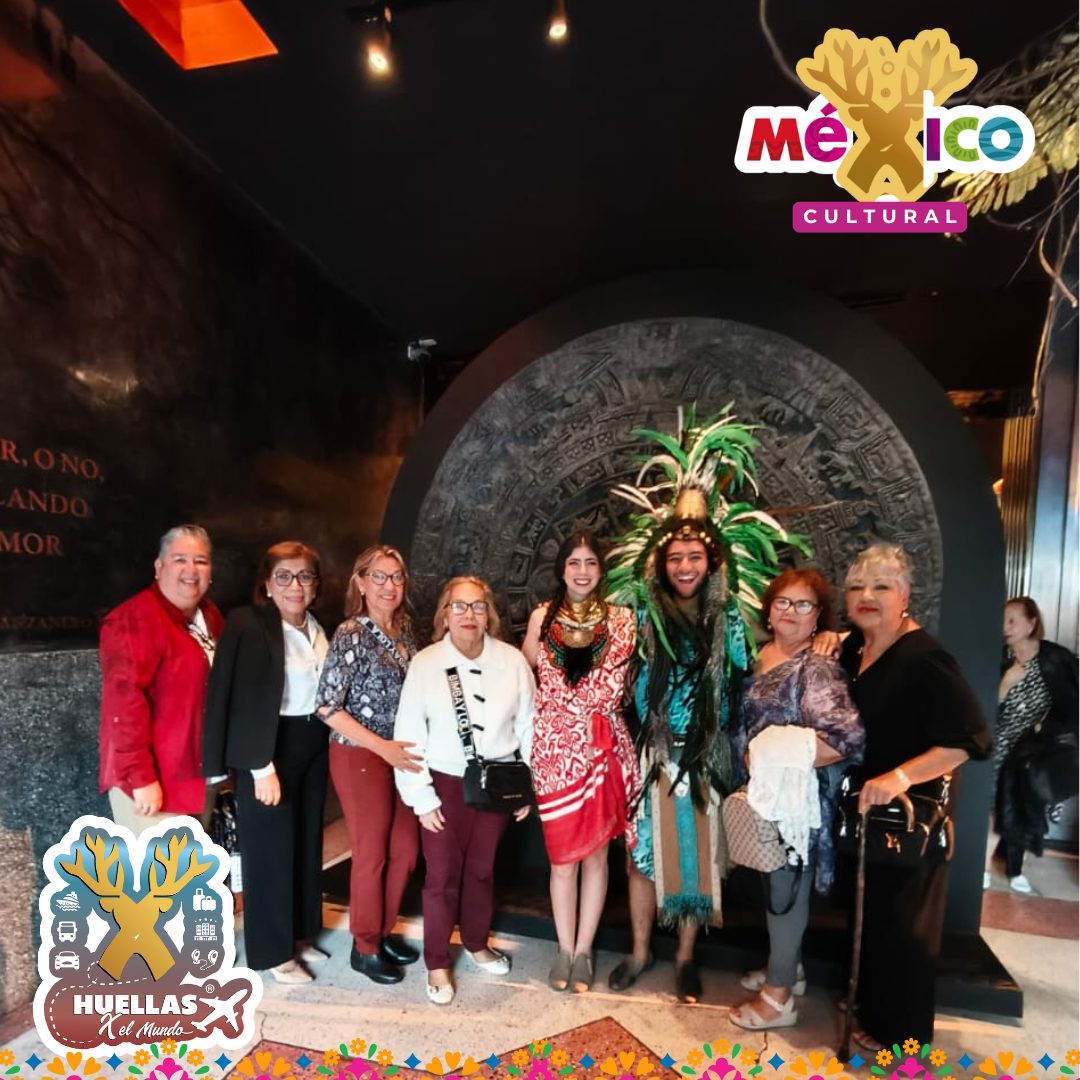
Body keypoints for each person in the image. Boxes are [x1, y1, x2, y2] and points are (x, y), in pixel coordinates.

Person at [604, 405, 800, 1004]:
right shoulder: (641, 613)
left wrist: (819, 641)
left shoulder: (728, 621)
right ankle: (641, 951)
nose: (685, 566)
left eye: (694, 557)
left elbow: (749, 673)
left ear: (711, 561)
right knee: (642, 858)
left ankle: (686, 957)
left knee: (696, 861)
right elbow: (613, 661)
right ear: (660, 563)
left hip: (706, 757)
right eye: (675, 557)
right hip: (651, 754)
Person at [838, 543, 991, 1052]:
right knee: (873, 915)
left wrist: (901, 777)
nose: (867, 595)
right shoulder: (855, 648)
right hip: (869, 809)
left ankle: (900, 1038)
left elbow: (971, 741)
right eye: (857, 586)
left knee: (904, 926)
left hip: (912, 813)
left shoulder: (925, 657)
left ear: (904, 596)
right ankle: (869, 1007)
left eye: (881, 586)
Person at [728, 568, 864, 1030]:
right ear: (769, 609)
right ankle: (788, 968)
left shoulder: (816, 666)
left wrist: (777, 757)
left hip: (796, 803)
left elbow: (847, 740)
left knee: (786, 893)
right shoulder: (760, 653)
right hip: (762, 797)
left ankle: (778, 999)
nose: (790, 611)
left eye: (803, 604)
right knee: (775, 887)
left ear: (818, 616)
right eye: (783, 601)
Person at [394, 576, 535, 1006]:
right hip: (442, 785)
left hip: (496, 784)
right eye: (459, 606)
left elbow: (528, 726)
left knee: (481, 870)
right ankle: (437, 961)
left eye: (477, 606)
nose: (468, 615)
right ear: (445, 614)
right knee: (441, 876)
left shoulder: (512, 661)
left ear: (488, 614)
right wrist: (421, 797)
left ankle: (476, 943)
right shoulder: (426, 664)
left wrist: (524, 787)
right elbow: (409, 734)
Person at [203, 541, 330, 983]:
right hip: (269, 747)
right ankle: (273, 953)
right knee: (269, 852)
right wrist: (259, 766)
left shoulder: (319, 627)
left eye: (305, 576)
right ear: (267, 584)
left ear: (316, 585)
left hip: (314, 741)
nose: (296, 585)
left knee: (305, 843)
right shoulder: (247, 623)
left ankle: (299, 934)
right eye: (284, 576)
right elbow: (231, 695)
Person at [522, 531, 641, 993]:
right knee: (562, 859)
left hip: (602, 747)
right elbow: (522, 674)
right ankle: (563, 948)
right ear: (562, 569)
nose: (582, 571)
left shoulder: (623, 620)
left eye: (591, 562)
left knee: (595, 857)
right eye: (574, 562)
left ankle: (584, 950)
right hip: (555, 750)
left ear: (601, 569)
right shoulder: (542, 618)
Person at [316, 545, 422, 985]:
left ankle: (382, 930)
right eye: (378, 576)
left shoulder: (406, 630)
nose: (388, 586)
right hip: (360, 753)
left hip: (401, 753)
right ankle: (364, 947)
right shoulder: (350, 633)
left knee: (406, 850)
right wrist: (382, 748)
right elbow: (327, 707)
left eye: (396, 577)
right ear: (360, 582)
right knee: (372, 852)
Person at [99, 524, 223, 837]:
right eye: (180, 559)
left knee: (192, 866)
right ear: (159, 567)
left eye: (201, 561)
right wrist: (141, 777)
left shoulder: (209, 615)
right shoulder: (134, 618)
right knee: (162, 869)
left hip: (198, 775)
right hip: (155, 783)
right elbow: (124, 705)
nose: (191, 570)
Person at [992, 596, 1079, 893]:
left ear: (1031, 623)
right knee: (996, 802)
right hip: (1002, 739)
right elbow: (986, 708)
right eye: (1002, 621)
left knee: (1030, 800)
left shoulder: (1054, 658)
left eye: (1012, 621)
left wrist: (1049, 726)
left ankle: (1016, 866)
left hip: (1039, 745)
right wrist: (1005, 684)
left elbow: (1072, 702)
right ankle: (990, 863)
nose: (1006, 627)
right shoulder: (1001, 660)